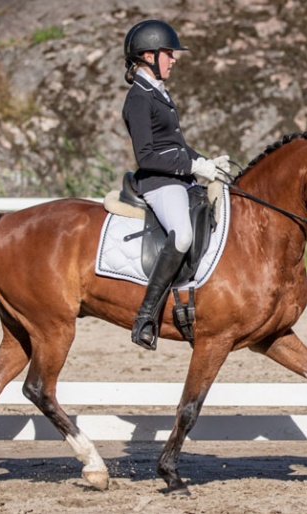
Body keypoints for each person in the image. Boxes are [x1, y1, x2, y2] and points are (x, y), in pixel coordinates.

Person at [122, 19, 230, 351]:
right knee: (181, 234)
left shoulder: (158, 92)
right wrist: (193, 166)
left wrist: (208, 163)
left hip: (178, 178)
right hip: (159, 183)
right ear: (148, 55)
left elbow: (175, 145)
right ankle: (146, 316)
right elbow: (147, 156)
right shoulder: (138, 98)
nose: (174, 59)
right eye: (169, 53)